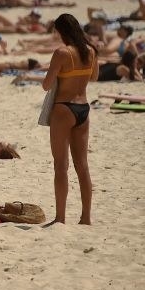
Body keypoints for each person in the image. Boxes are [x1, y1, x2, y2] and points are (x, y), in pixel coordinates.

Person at [43, 13, 98, 226]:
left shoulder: (62, 53)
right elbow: (94, 77)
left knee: (60, 166)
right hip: (83, 108)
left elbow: (46, 85)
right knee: (82, 166)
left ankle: (60, 217)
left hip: (63, 109)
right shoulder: (91, 51)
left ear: (61, 31)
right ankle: (86, 217)